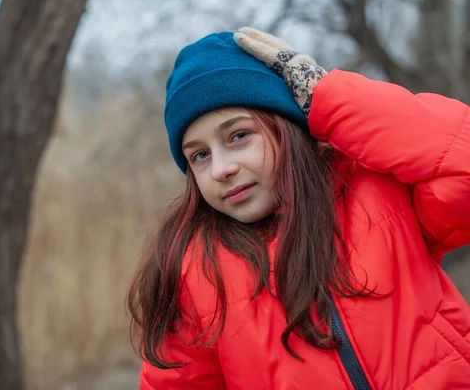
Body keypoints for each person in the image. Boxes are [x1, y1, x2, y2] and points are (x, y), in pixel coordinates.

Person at [126, 27, 470, 389]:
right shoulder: (193, 271)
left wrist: (327, 98)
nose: (221, 168)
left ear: (285, 127)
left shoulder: (374, 190)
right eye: (199, 155)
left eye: (239, 135)